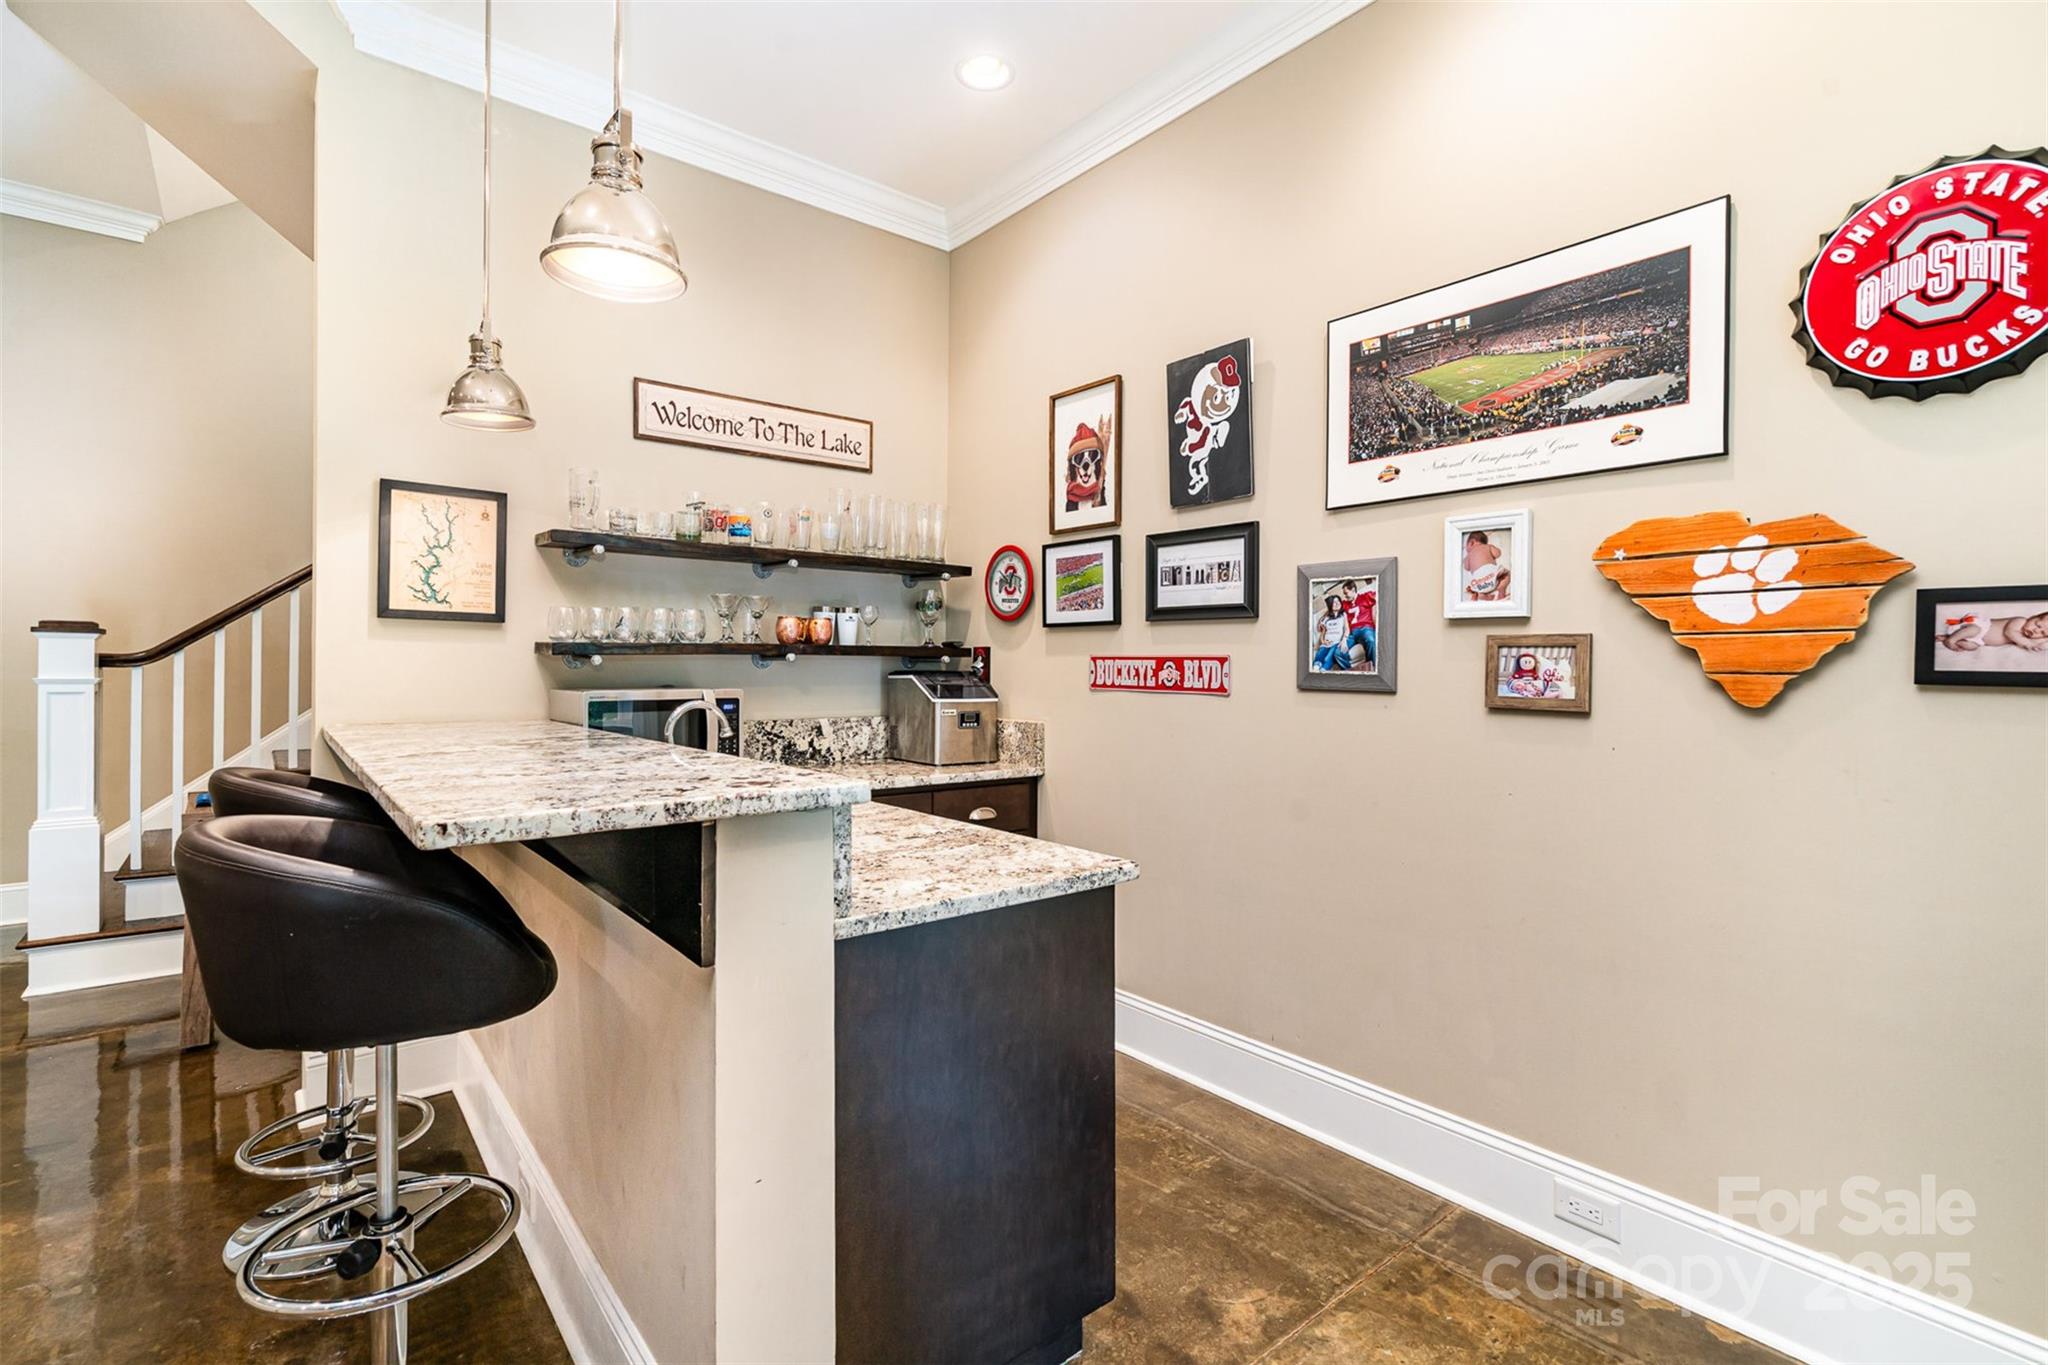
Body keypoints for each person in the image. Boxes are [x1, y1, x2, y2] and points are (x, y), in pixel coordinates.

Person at [1939, 609, 2048, 653]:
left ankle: (1947, 638)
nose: (2036, 631)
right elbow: (2009, 633)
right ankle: (1952, 640)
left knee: (1972, 647)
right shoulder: (2020, 621)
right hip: (1980, 627)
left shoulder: (2026, 637)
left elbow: (2038, 643)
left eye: (2042, 633)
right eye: (2037, 625)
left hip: (1980, 640)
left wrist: (2039, 643)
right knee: (1973, 630)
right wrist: (2027, 643)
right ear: (2032, 617)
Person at [1340, 579, 1377, 668]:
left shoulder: (1365, 597)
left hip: (1365, 628)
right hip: (1352, 633)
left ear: (1353, 590)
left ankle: (1372, 668)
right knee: (1338, 652)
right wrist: (1322, 620)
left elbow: (1380, 595)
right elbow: (1333, 607)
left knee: (1371, 640)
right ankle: (1349, 672)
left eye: (1346, 593)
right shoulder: (1345, 604)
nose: (1345, 596)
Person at [1462, 530, 1507, 601]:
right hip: (1492, 576)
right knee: (1506, 574)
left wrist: (1466, 559)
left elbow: (1466, 567)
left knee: (1473, 588)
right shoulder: (1488, 546)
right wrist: (1494, 548)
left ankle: (1482, 595)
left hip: (1478, 582)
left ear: (1471, 543)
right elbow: (1498, 554)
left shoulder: (1468, 556)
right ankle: (1501, 587)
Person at [1312, 594, 1351, 671]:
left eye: (1338, 601)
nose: (1337, 603)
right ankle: (1315, 670)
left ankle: (1324, 670)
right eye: (1334, 602)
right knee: (1318, 658)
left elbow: (1347, 628)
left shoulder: (1343, 614)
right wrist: (1323, 641)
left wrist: (1344, 639)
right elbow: (1323, 632)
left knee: (1328, 658)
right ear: (1330, 605)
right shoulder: (1326, 618)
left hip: (1336, 643)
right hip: (1326, 644)